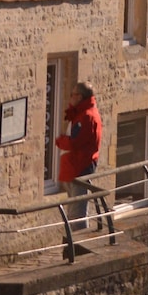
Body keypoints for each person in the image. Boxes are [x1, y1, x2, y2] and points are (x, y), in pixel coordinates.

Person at [54, 81, 102, 227]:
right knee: (74, 214)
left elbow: (74, 142)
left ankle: (78, 247)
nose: (70, 98)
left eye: (72, 95)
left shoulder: (86, 116)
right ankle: (74, 245)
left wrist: (60, 141)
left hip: (79, 169)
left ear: (80, 97)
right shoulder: (81, 114)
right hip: (73, 168)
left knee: (77, 216)